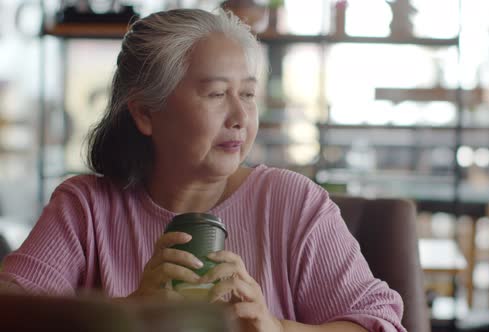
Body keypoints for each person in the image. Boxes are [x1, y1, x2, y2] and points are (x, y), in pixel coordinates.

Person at [0, 8, 406, 332]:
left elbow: (379, 324)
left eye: (247, 94)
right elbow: (11, 311)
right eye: (215, 94)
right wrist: (129, 313)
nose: (239, 116)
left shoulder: (294, 203)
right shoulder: (85, 208)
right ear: (145, 113)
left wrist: (276, 328)